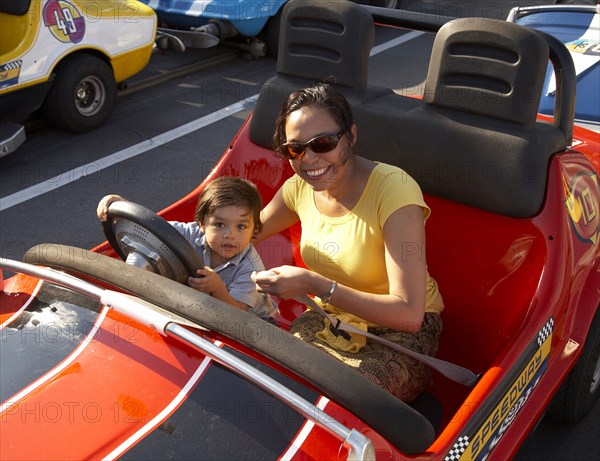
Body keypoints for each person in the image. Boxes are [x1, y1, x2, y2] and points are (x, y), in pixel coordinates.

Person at [251, 83, 444, 402]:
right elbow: (242, 234)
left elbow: (409, 315)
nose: (309, 159)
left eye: (322, 143)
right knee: (278, 382)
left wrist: (315, 283)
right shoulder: (298, 189)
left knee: (345, 401)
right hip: (331, 317)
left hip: (399, 332)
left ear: (351, 136)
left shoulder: (394, 190)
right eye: (295, 149)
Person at [97, 176, 278, 321]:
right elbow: (150, 230)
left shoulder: (251, 268)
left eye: (241, 227)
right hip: (198, 308)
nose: (230, 235)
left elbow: (239, 316)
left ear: (254, 229)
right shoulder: (188, 234)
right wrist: (118, 202)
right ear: (201, 224)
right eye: (220, 224)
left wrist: (217, 287)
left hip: (252, 323)